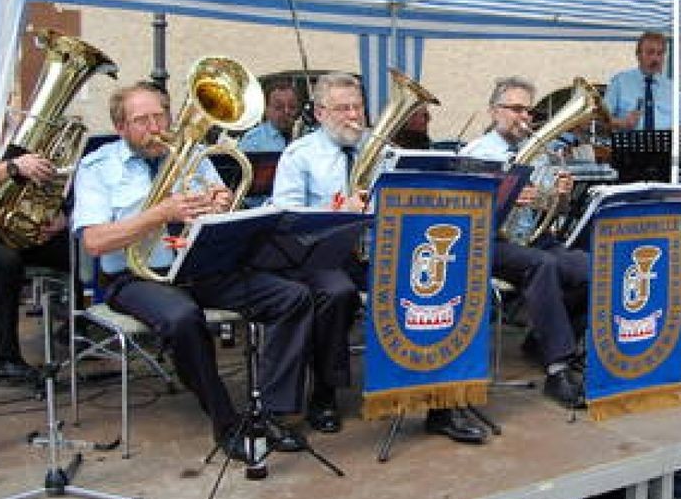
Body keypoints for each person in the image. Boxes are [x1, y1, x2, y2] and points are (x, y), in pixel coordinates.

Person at [72, 81, 314, 460]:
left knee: (292, 297)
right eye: (142, 120)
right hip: (133, 277)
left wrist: (220, 206)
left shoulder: (195, 155)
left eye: (160, 116)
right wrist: (160, 213)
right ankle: (225, 420)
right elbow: (95, 242)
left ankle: (274, 411)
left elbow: (218, 212)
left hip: (198, 267)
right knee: (183, 317)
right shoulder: (98, 167)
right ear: (121, 128)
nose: (155, 127)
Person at [271, 73, 488, 443]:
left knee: (437, 283)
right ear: (321, 112)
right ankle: (325, 394)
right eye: (343, 108)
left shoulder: (385, 151)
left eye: (358, 107)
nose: (354, 116)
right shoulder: (299, 156)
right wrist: (338, 209)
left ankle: (441, 402)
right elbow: (285, 219)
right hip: (323, 258)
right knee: (336, 294)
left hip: (381, 252)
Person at [462, 76, 590, 410]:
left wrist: (561, 196)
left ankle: (541, 339)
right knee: (542, 265)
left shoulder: (539, 154)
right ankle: (557, 368)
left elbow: (553, 210)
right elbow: (464, 214)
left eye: (529, 110)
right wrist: (507, 198)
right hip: (488, 241)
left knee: (591, 268)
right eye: (516, 108)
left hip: (533, 237)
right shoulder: (475, 154)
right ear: (494, 111)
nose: (524, 117)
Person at [0, 150, 71, 381]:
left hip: (17, 226)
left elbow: (54, 180)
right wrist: (11, 167)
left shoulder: (23, 134)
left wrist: (61, 216)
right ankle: (7, 359)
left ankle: (81, 325)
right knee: (3, 262)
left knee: (79, 243)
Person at [603, 32, 681, 131]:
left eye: (660, 53)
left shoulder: (672, 89)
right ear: (638, 55)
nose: (655, 59)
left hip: (665, 145)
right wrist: (622, 123)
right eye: (650, 52)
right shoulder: (619, 82)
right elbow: (601, 120)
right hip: (628, 144)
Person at [238, 77, 300, 152]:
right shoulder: (253, 140)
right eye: (279, 107)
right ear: (266, 110)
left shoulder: (306, 134)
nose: (286, 111)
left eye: (292, 106)